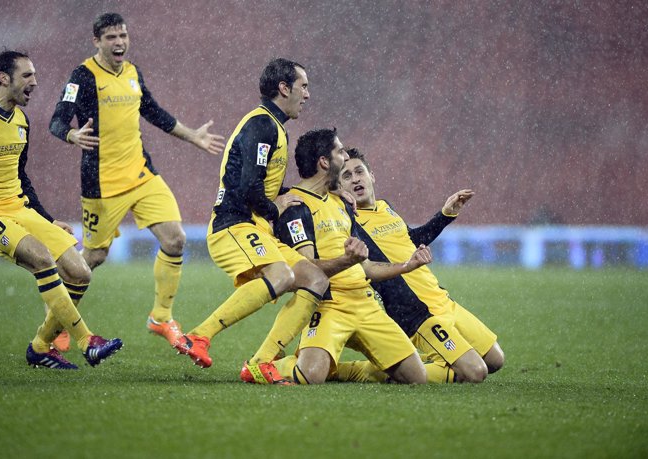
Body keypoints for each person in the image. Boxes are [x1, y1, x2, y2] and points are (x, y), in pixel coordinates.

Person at [49, 13, 225, 352]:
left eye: (123, 36)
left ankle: (161, 317)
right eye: (111, 37)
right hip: (101, 183)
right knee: (94, 257)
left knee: (175, 238)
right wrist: (72, 134)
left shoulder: (132, 73)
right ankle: (57, 317)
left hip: (142, 175)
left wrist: (192, 136)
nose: (119, 43)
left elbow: (153, 111)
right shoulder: (82, 76)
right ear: (96, 41)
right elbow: (57, 120)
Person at [0, 50, 122, 369]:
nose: (34, 82)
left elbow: (21, 176)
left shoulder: (21, 120)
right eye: (27, 76)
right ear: (3, 78)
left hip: (21, 209)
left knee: (80, 273)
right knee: (42, 259)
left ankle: (40, 347)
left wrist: (48, 219)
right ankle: (87, 340)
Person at [175, 58, 329, 385]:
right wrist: (277, 206)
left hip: (256, 227)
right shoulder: (262, 126)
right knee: (280, 274)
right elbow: (249, 187)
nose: (308, 94)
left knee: (315, 279)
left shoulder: (273, 127)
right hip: (234, 224)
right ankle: (199, 336)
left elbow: (261, 185)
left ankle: (261, 363)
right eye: (303, 86)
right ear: (283, 88)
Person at [272, 128, 432, 384]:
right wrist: (347, 260)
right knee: (308, 377)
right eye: (340, 151)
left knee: (416, 378)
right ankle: (272, 364)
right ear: (324, 162)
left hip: (366, 303)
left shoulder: (342, 203)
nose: (345, 157)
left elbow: (366, 267)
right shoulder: (296, 206)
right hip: (329, 304)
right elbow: (307, 270)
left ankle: (343, 370)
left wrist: (406, 265)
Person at [334, 147, 504, 383]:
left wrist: (445, 215)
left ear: (372, 176)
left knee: (495, 360)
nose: (355, 179)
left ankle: (407, 363)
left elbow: (409, 240)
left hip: (440, 299)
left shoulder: (385, 207)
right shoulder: (348, 221)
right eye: (346, 176)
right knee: (475, 372)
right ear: (341, 188)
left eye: (359, 172)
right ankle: (375, 371)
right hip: (416, 313)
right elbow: (369, 267)